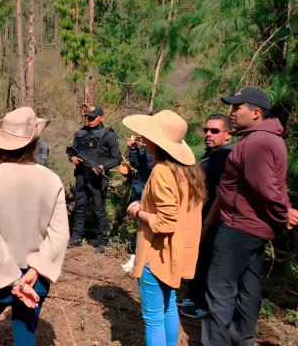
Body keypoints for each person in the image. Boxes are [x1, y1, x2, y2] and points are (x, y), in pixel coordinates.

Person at [0, 107, 69, 345]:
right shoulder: (52, 180)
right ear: (34, 145)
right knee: (25, 337)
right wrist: (34, 272)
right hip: (36, 279)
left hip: (0, 279)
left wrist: (14, 281)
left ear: (1, 146)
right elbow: (59, 235)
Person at [202, 87, 298, 345]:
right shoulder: (267, 139)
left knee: (220, 293)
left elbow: (266, 189)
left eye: (237, 108)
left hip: (238, 229)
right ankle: (242, 339)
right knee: (248, 289)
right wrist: (283, 212)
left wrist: (283, 213)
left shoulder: (256, 143)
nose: (231, 113)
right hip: (254, 229)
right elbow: (276, 187)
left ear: (256, 113)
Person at [122, 110, 205, 346]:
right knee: (168, 308)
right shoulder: (189, 171)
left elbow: (166, 222)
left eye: (147, 135)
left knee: (153, 318)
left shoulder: (161, 171)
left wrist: (138, 211)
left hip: (157, 254)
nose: (143, 138)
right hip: (176, 253)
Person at [178, 114, 233, 319]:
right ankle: (193, 296)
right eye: (206, 130)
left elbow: (221, 195)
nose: (209, 134)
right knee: (198, 259)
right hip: (199, 217)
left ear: (228, 135)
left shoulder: (227, 158)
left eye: (215, 131)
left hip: (213, 220)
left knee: (209, 262)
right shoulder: (211, 155)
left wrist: (208, 225)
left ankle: (203, 305)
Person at [67, 105, 122, 252]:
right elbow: (72, 151)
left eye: (93, 117)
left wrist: (104, 166)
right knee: (80, 207)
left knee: (99, 209)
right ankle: (76, 238)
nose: (90, 120)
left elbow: (117, 158)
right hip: (81, 176)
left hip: (97, 179)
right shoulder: (81, 133)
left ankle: (102, 241)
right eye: (88, 117)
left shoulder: (109, 135)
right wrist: (72, 158)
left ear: (101, 118)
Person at [127, 135, 154, 201]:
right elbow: (136, 164)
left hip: (153, 189)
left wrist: (149, 147)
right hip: (140, 187)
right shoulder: (144, 148)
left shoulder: (163, 150)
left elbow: (151, 167)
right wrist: (134, 149)